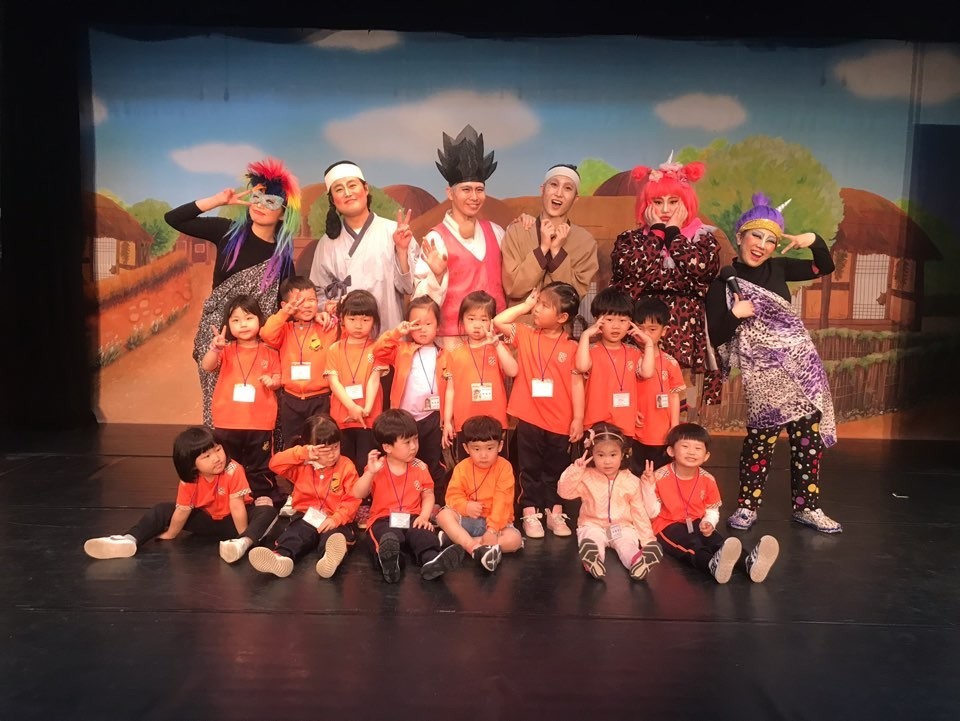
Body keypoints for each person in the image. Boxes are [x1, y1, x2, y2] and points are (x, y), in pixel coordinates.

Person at [706, 193, 842, 533]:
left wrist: (814, 240)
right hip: (763, 374)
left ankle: (807, 507)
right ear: (740, 236)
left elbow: (824, 266)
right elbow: (717, 334)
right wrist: (735, 315)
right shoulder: (723, 283)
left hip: (802, 367)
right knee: (759, 443)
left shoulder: (779, 267)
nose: (762, 246)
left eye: (771, 240)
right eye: (756, 236)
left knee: (807, 443)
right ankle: (747, 507)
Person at [165, 158, 300, 426]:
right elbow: (174, 218)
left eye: (270, 201)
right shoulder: (228, 232)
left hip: (257, 344)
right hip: (218, 336)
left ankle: (257, 453)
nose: (260, 205)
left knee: (255, 409)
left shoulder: (282, 257)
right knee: (220, 406)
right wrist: (218, 200)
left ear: (282, 213)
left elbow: (286, 304)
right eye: (257, 197)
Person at [610, 154, 723, 409]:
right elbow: (631, 270)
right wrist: (657, 234)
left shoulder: (703, 238)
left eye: (673, 201)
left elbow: (700, 270)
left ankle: (676, 432)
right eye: (657, 202)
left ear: (686, 203)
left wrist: (672, 234)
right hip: (641, 325)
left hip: (683, 330)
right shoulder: (630, 239)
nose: (665, 209)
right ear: (646, 204)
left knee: (676, 391)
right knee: (638, 385)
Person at [83, 426, 277, 564]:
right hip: (206, 520)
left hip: (233, 522)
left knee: (267, 512)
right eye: (206, 456)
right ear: (192, 465)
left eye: (218, 450)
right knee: (162, 510)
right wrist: (171, 534)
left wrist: (242, 534)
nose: (217, 458)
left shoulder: (233, 469)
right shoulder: (190, 480)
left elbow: (237, 507)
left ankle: (243, 543)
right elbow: (182, 510)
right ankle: (129, 539)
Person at [493, 281, 584, 539]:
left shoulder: (573, 347)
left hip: (560, 421)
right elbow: (498, 321)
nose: (537, 309)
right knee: (529, 468)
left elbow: (577, 384)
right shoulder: (526, 334)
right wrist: (525, 305)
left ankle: (554, 512)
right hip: (529, 417)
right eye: (538, 303)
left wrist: (578, 418)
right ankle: (530, 512)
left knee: (555, 470)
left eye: (544, 306)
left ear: (562, 317)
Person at [640, 423, 779, 584]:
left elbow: (712, 509)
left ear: (706, 456)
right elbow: (652, 512)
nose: (691, 452)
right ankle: (711, 565)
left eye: (698, 448)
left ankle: (749, 562)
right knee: (691, 545)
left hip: (697, 521)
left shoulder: (708, 479)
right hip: (666, 525)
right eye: (685, 446)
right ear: (671, 451)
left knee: (718, 541)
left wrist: (709, 522)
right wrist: (648, 487)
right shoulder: (658, 477)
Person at [412, 125, 505, 343]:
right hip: (452, 340)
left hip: (493, 336)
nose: (474, 197)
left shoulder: (497, 232)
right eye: (466, 190)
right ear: (450, 193)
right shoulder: (436, 239)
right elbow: (420, 301)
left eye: (479, 190)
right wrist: (436, 276)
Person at [200, 295, 285, 531]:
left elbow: (279, 377)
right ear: (228, 324)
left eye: (248, 318)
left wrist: (273, 382)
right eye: (236, 320)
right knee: (228, 462)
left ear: (259, 320)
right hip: (227, 420)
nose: (243, 324)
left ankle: (262, 493)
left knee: (259, 462)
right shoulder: (225, 349)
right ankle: (228, 494)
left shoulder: (270, 350)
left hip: (260, 420)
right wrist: (215, 348)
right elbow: (207, 366)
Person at [352, 409, 463, 583]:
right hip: (383, 518)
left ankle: (432, 560)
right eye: (407, 442)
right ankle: (392, 562)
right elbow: (358, 493)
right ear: (387, 447)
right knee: (386, 537)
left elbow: (428, 494)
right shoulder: (377, 467)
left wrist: (424, 516)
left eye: (415, 439)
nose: (413, 446)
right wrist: (370, 473)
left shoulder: (420, 466)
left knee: (424, 535)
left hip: (413, 517)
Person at [248, 415, 361, 578]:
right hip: (306, 516)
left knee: (335, 537)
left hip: (335, 519)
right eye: (325, 451)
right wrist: (302, 453)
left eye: (335, 447)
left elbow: (352, 498)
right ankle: (280, 558)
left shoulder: (346, 466)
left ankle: (329, 558)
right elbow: (274, 464)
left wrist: (336, 518)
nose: (332, 455)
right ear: (309, 447)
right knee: (296, 534)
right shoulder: (302, 464)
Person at [309, 160, 415, 332]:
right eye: (339, 189)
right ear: (333, 200)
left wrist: (402, 251)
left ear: (365, 189)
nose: (347, 193)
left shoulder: (394, 232)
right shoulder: (326, 243)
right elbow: (316, 294)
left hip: (388, 332)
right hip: (345, 339)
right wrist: (325, 306)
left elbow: (409, 288)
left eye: (352, 185)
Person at [558, 422, 663, 580]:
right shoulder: (586, 476)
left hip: (622, 526)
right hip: (592, 524)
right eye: (601, 455)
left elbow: (639, 513)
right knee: (592, 540)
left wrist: (648, 541)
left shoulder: (631, 481)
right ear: (592, 454)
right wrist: (575, 470)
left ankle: (638, 562)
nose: (607, 461)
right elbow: (564, 492)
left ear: (623, 454)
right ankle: (593, 560)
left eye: (613, 455)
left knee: (628, 545)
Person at [372, 296, 448, 502]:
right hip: (405, 418)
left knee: (432, 460)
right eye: (417, 324)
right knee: (403, 461)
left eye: (428, 324)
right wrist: (398, 332)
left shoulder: (444, 354)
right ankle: (406, 500)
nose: (422, 329)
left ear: (438, 326)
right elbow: (378, 351)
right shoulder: (402, 350)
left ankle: (435, 501)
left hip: (432, 417)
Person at [501, 164, 599, 311]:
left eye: (568, 188)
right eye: (554, 185)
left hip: (561, 325)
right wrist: (543, 249)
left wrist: (557, 252)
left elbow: (574, 296)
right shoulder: (517, 232)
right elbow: (513, 288)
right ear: (542, 190)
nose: (559, 193)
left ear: (575, 198)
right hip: (520, 323)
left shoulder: (585, 242)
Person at [435, 415, 523, 573]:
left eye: (490, 448)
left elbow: (503, 501)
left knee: (514, 540)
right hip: (469, 519)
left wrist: (492, 530)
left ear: (500, 446)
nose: (483, 455)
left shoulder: (504, 467)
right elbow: (452, 496)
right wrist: (465, 506)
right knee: (443, 515)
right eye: (476, 449)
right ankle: (474, 548)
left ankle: (457, 542)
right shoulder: (462, 468)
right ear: (466, 448)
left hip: (498, 524)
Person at [260, 275, 338, 448]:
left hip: (321, 398)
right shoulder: (284, 329)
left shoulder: (325, 327)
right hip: (290, 399)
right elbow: (266, 334)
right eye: (300, 302)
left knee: (321, 443)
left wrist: (326, 313)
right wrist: (284, 314)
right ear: (285, 305)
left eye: (312, 300)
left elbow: (343, 326)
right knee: (293, 445)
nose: (308, 305)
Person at [441, 291, 518, 462]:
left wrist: (497, 344)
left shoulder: (498, 347)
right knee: (466, 467)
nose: (477, 325)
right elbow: (450, 390)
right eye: (471, 319)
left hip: (496, 421)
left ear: (491, 322)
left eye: (483, 320)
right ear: (462, 320)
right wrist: (447, 421)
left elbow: (513, 371)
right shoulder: (455, 353)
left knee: (498, 466)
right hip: (465, 421)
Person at [575, 287, 654, 444]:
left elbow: (647, 373)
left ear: (630, 323)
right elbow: (582, 366)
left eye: (623, 321)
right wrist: (585, 335)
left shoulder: (633, 352)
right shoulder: (591, 350)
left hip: (624, 424)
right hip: (594, 424)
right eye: (609, 320)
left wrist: (648, 343)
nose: (616, 326)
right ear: (597, 320)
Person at [324, 289, 385, 472]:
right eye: (352, 319)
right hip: (342, 417)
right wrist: (351, 407)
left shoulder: (377, 348)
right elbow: (334, 383)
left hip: (369, 418)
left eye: (365, 320)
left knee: (366, 463)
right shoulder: (334, 349)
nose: (359, 325)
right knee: (344, 464)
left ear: (374, 321)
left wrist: (365, 410)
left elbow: (374, 380)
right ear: (342, 319)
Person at [631, 297, 685, 475]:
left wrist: (674, 427)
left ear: (664, 331)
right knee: (634, 475)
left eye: (652, 329)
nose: (645, 334)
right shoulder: (629, 358)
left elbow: (674, 396)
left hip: (661, 433)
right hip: (634, 430)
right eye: (640, 328)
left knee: (660, 475)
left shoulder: (671, 363)